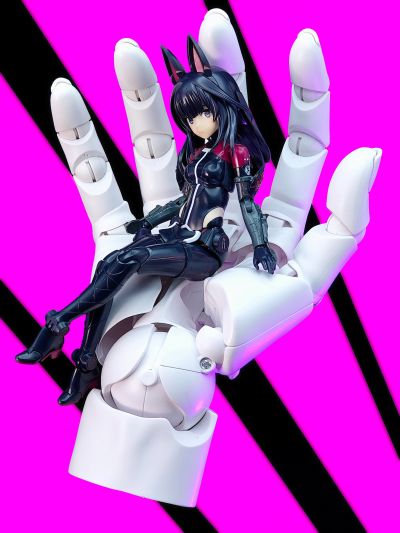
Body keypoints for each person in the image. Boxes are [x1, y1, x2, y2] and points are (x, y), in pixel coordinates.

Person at [16, 36, 276, 405]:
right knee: (108, 264)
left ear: (222, 104)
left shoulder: (237, 152)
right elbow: (184, 200)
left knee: (129, 258)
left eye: (203, 113)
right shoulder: (195, 151)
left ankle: (58, 323)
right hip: (177, 233)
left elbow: (247, 203)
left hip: (206, 248)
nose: (196, 123)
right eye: (188, 117)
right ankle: (86, 363)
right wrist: (149, 221)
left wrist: (261, 245)